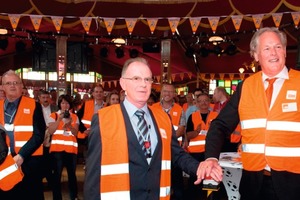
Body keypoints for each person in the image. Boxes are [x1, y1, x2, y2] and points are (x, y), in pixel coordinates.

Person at [199, 27, 300, 200]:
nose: (273, 52)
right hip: (253, 184)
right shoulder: (245, 86)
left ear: (284, 50)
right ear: (255, 55)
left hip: (294, 184)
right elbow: (220, 125)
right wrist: (211, 158)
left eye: (278, 46)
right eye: (266, 48)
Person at [84, 57, 203, 200]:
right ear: (123, 83)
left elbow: (176, 154)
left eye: (147, 79)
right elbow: (93, 174)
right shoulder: (104, 119)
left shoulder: (163, 118)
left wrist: (199, 167)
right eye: (136, 78)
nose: (143, 84)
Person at [0, 70, 46, 199]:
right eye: (8, 83)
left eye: (16, 83)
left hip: (29, 162)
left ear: (21, 86)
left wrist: (21, 156)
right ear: (3, 87)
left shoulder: (34, 105)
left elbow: (39, 135)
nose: (12, 86)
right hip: (3, 163)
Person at [151, 83, 186, 199]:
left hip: (174, 151)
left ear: (174, 94)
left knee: (177, 182)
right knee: (157, 180)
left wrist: (166, 140)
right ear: (161, 93)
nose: (167, 94)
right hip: (157, 152)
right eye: (165, 91)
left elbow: (181, 129)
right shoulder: (153, 108)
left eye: (170, 92)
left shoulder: (179, 109)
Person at [48, 94, 79, 200]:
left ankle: (73, 196)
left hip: (71, 150)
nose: (65, 105)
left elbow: (75, 133)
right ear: (59, 104)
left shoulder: (74, 117)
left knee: (72, 175)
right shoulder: (54, 115)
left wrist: (70, 125)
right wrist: (59, 120)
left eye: (67, 103)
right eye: (62, 103)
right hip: (57, 150)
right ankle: (57, 197)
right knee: (56, 176)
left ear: (70, 105)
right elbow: (51, 131)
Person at [38, 90, 58, 192]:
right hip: (40, 137)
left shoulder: (55, 108)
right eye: (43, 97)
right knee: (41, 160)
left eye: (47, 97)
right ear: (39, 98)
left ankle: (51, 182)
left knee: (50, 160)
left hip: (52, 136)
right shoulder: (36, 108)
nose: (46, 100)